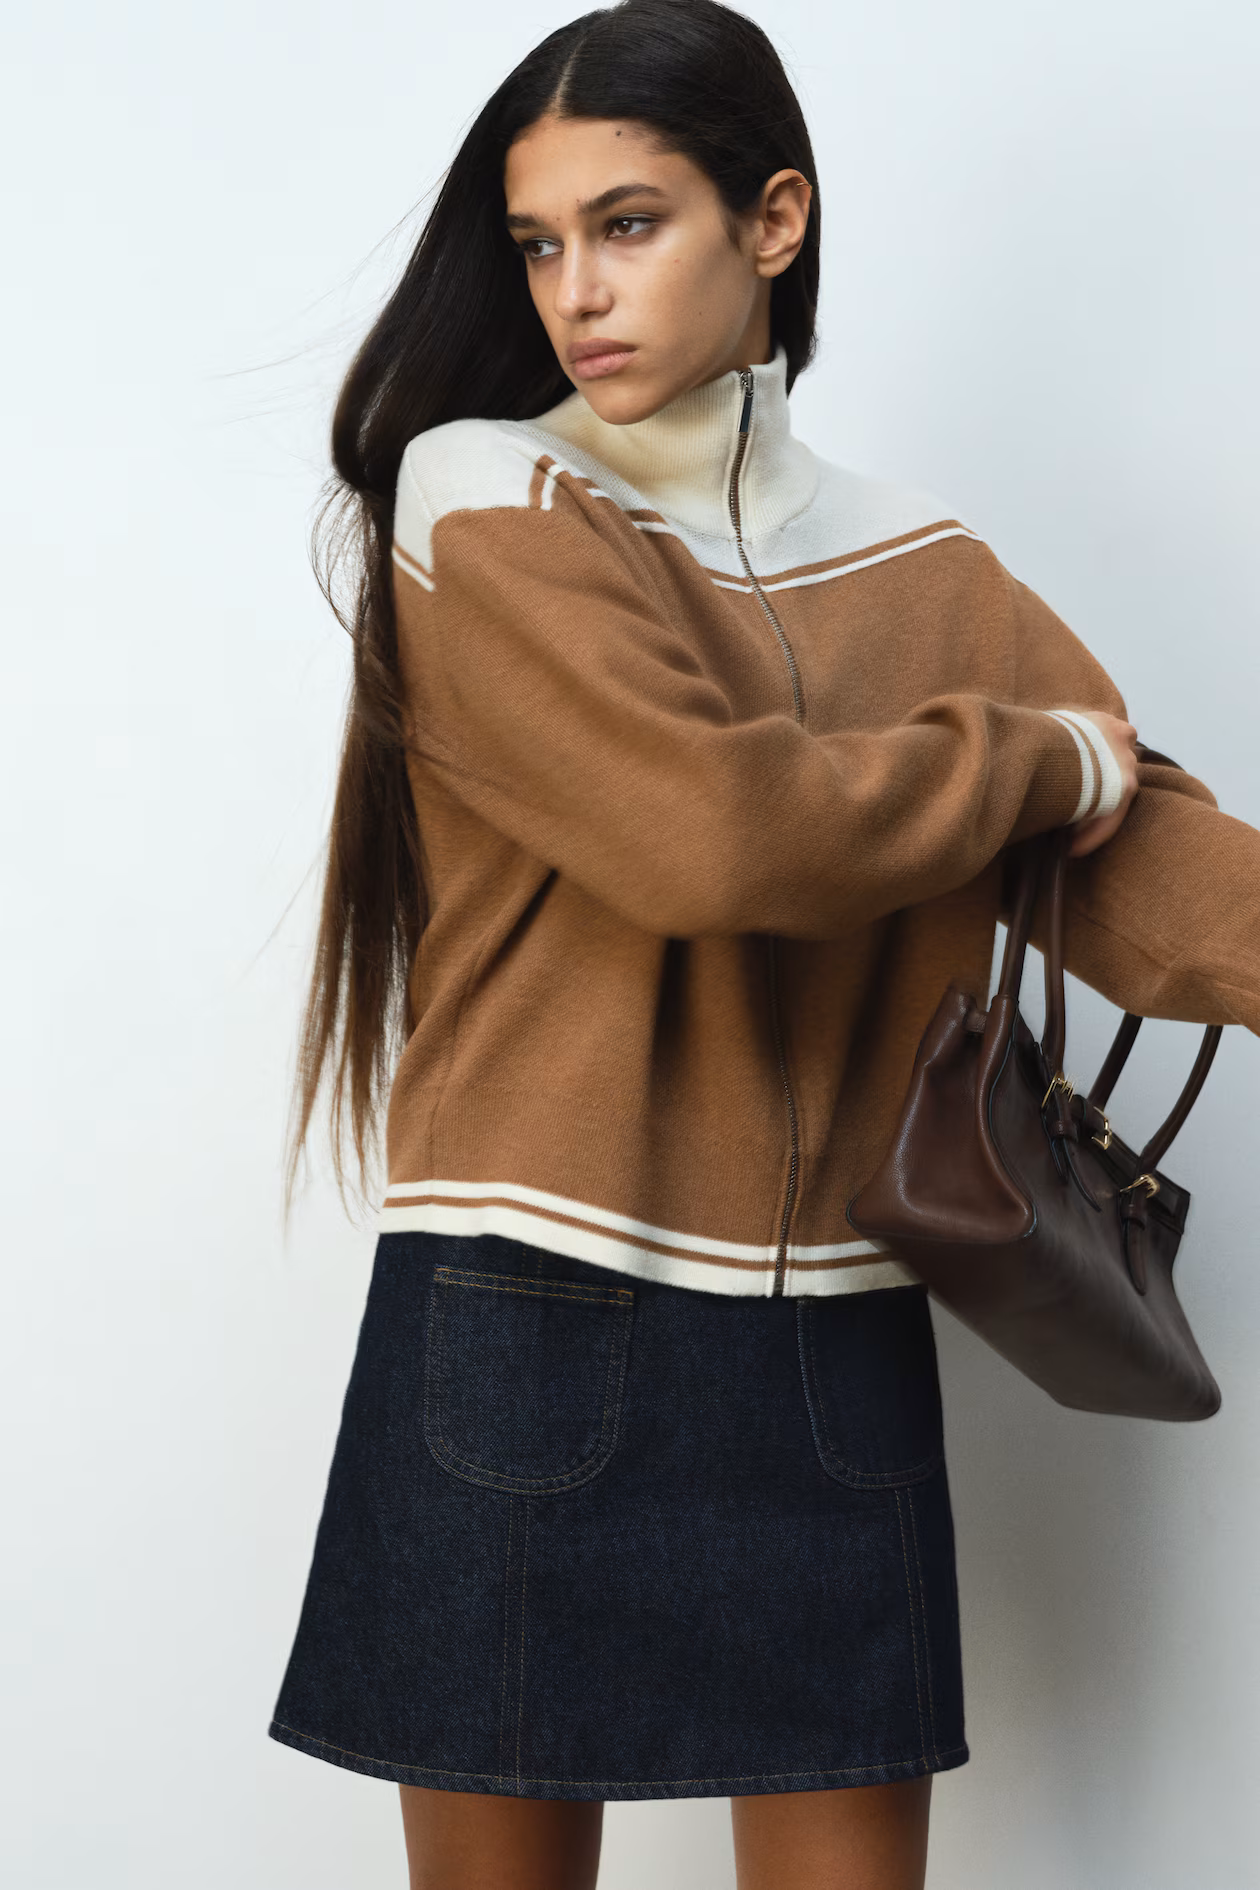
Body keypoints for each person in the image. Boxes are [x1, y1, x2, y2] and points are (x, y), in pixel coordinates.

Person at [267, 3, 1260, 1885]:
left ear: (775, 220)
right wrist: (1034, 755)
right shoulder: (487, 492)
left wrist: (1068, 781)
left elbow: (1147, 875)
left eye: (628, 224)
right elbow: (718, 835)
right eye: (539, 242)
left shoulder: (931, 568)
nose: (575, 291)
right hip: (524, 1319)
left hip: (833, 1343)